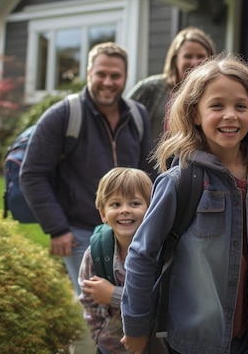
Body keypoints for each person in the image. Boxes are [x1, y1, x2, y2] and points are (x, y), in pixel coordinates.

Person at [121, 52, 248, 354]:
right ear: (195, 114)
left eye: (241, 106)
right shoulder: (178, 183)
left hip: (244, 336)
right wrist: (135, 326)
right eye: (217, 106)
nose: (230, 115)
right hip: (192, 339)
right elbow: (142, 256)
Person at [20, 42, 154, 297]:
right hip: (82, 233)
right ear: (89, 73)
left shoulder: (138, 114)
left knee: (134, 303)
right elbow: (32, 173)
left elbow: (150, 171)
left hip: (132, 229)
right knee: (98, 307)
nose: (108, 81)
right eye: (101, 74)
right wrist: (57, 228)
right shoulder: (63, 114)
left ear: (125, 77)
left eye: (115, 75)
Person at [78, 167, 153, 354]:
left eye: (135, 203)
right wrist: (98, 337)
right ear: (103, 213)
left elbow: (162, 301)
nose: (125, 210)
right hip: (109, 348)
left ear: (152, 209)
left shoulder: (159, 253)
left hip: (152, 346)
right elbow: (89, 301)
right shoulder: (96, 252)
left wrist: (114, 295)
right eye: (115, 204)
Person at [128, 26, 217, 143]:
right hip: (152, 160)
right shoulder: (150, 88)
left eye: (200, 56)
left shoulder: (215, 93)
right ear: (175, 59)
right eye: (188, 56)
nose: (195, 62)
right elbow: (121, 117)